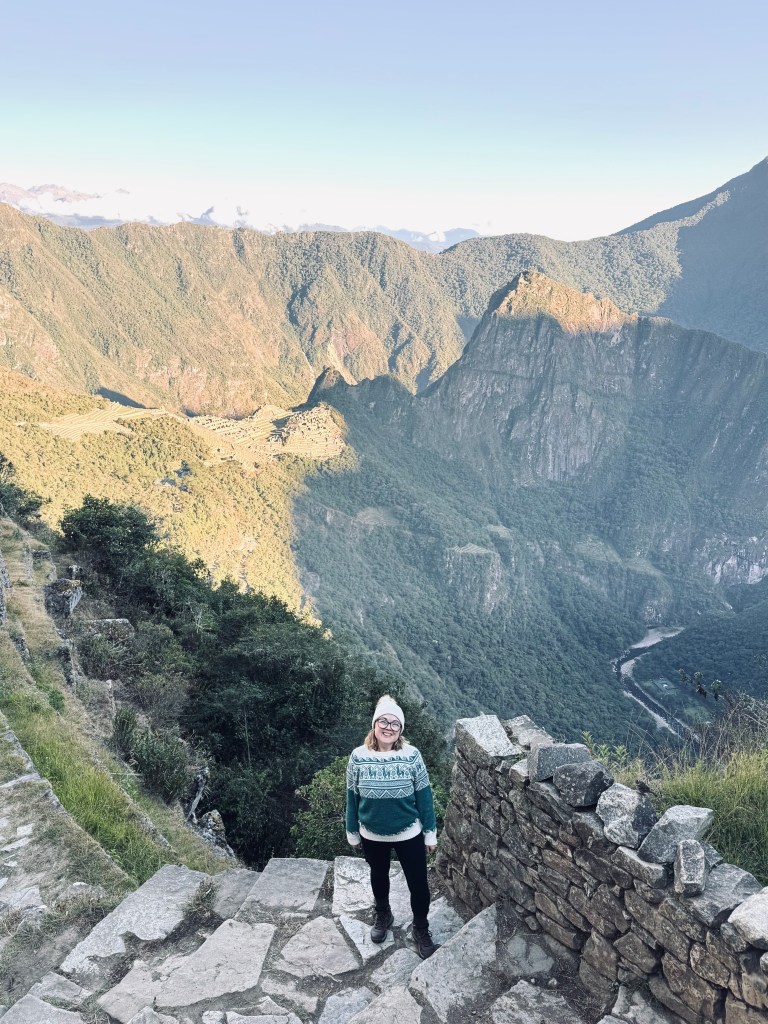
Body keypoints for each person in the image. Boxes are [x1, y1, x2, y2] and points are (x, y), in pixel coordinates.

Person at [345, 694, 439, 959]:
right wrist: (352, 831)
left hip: (409, 831)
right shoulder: (358, 757)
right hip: (371, 833)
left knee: (419, 883)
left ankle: (421, 927)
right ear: (374, 725)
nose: (388, 727)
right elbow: (352, 797)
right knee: (378, 876)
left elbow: (424, 796)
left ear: (400, 730)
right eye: (383, 721)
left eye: (395, 724)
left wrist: (430, 833)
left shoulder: (412, 756)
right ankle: (383, 915)